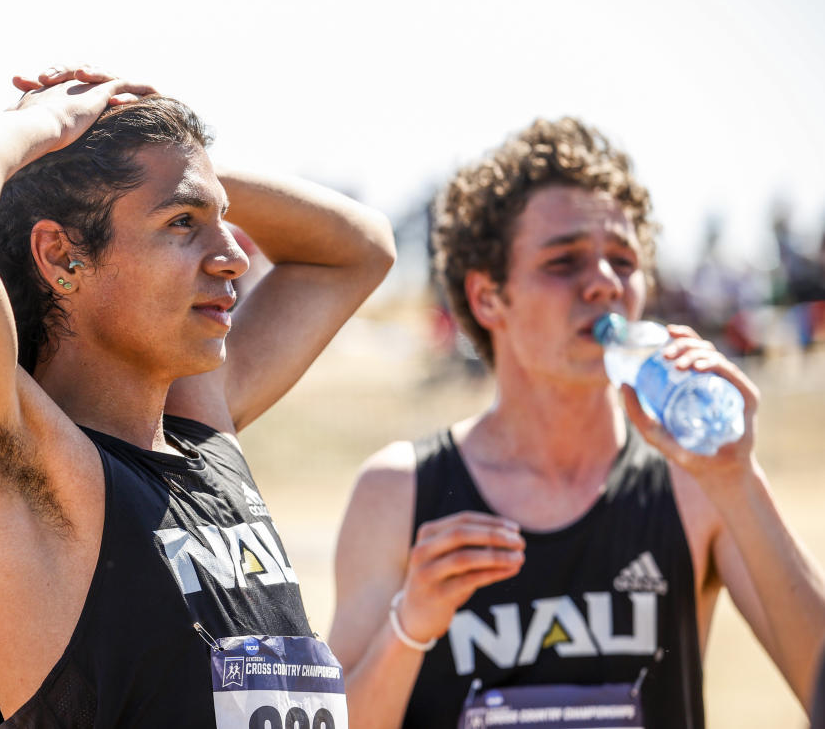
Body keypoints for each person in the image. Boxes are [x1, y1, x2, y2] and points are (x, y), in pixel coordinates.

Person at [0, 64, 396, 727]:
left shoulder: (202, 429)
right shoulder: (26, 472)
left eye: (221, 220)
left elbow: (360, 248)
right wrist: (46, 130)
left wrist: (156, 156)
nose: (234, 255)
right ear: (63, 257)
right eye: (183, 222)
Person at [328, 118, 825, 727]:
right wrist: (409, 628)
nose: (604, 285)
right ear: (488, 297)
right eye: (564, 262)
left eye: (623, 260)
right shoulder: (399, 492)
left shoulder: (696, 485)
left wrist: (738, 479)